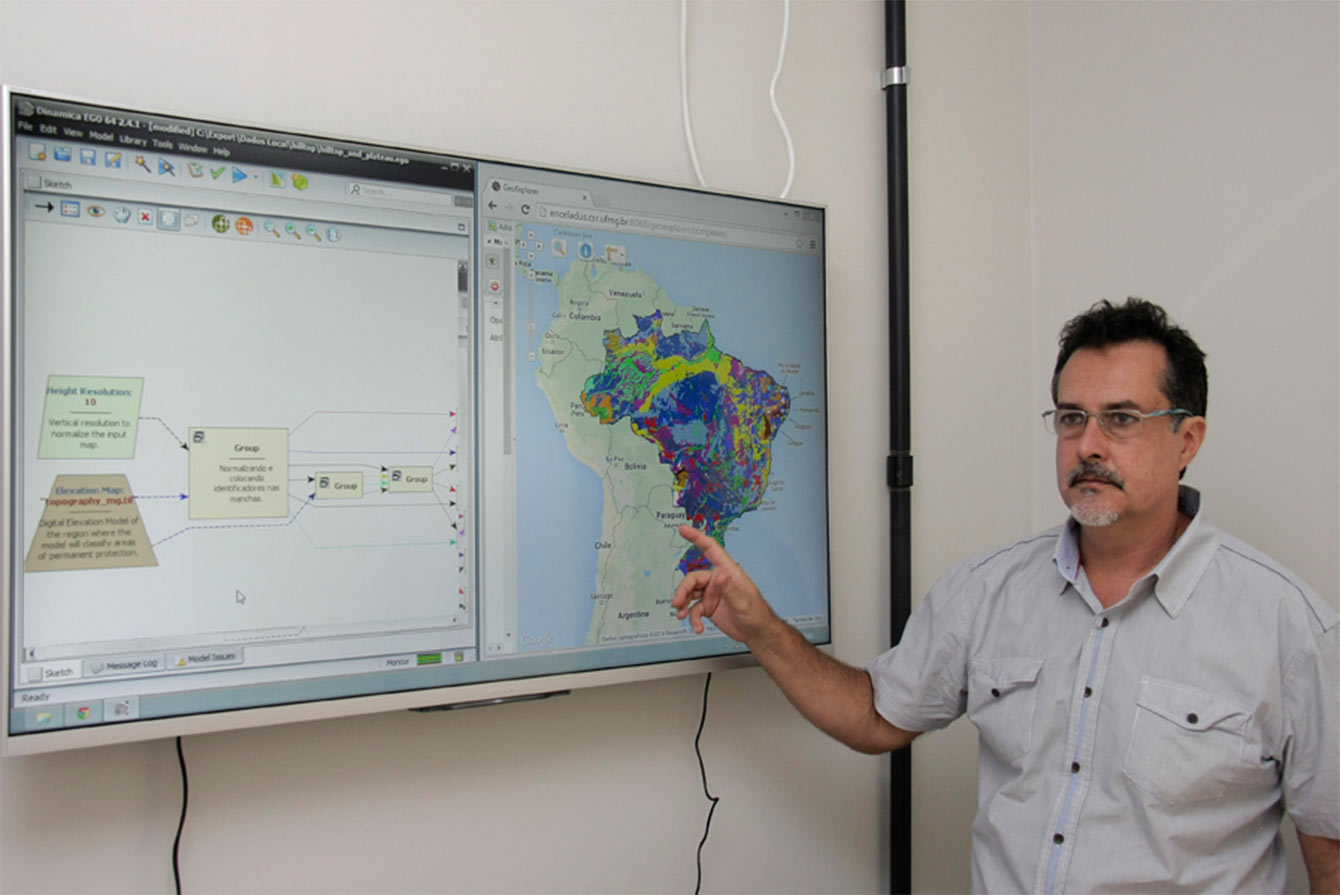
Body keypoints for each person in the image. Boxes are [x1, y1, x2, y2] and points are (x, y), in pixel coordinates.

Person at [672, 298, 1338, 893]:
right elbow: (875, 714)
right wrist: (761, 627)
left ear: (1187, 438)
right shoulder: (988, 589)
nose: (1089, 445)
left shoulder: (1287, 626)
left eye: (1121, 419)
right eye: (1072, 418)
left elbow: (1331, 855)